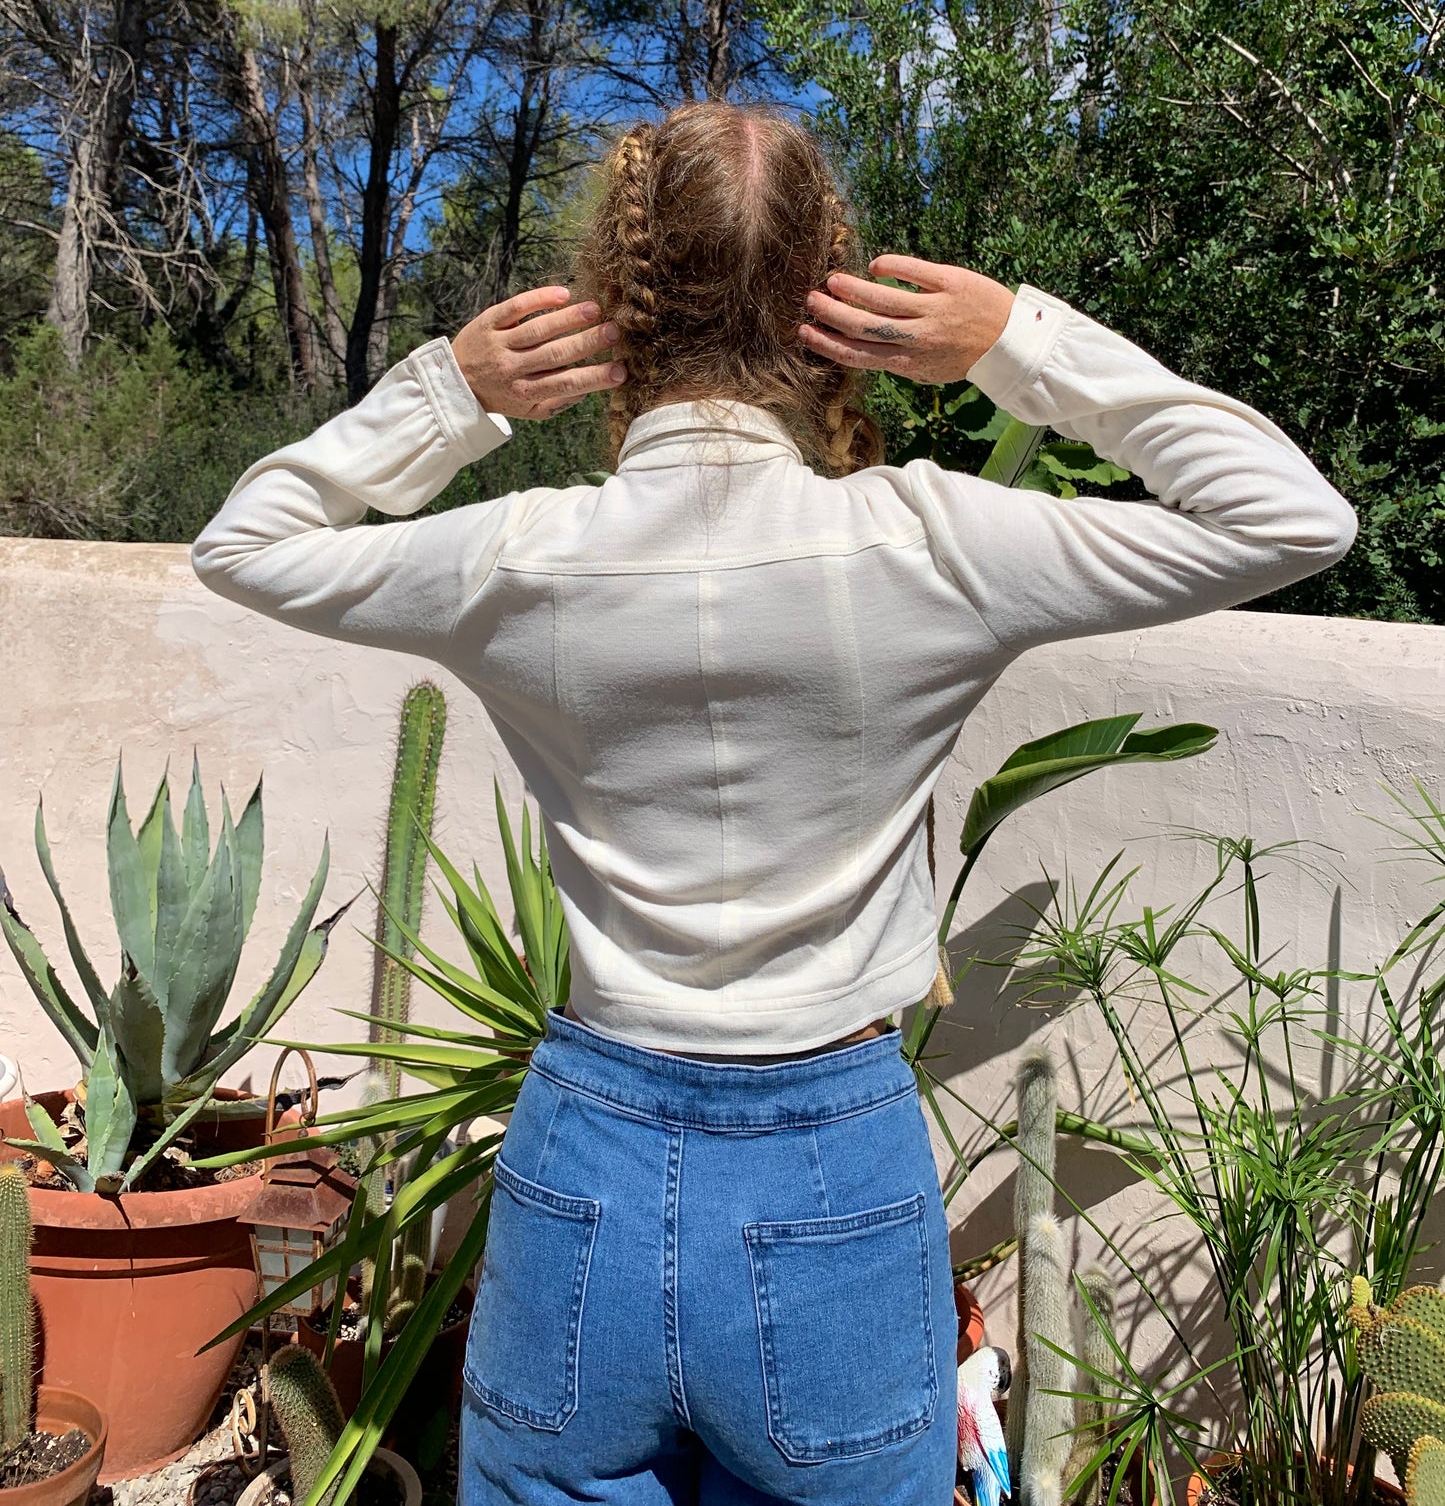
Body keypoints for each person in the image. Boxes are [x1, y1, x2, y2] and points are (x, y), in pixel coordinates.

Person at [192, 101, 1356, 1506]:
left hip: (584, 1162)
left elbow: (245, 543)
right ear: (832, 307)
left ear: (615, 307)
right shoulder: (930, 540)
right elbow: (1289, 517)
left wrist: (452, 394)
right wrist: (1018, 344)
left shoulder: (516, 554)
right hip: (830, 1166)